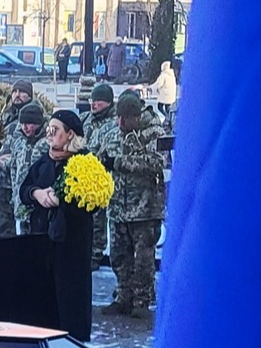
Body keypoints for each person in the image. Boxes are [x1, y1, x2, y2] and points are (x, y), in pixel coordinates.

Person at [17, 111, 94, 339]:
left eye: (55, 129)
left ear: (70, 134)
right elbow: (24, 189)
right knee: (44, 298)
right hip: (43, 238)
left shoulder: (85, 161)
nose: (49, 134)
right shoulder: (45, 160)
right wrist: (37, 194)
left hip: (72, 243)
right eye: (48, 129)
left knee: (70, 300)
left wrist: (65, 200)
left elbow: (94, 201)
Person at [100, 90, 167, 319]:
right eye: (118, 117)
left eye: (125, 118)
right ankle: (123, 297)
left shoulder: (154, 132)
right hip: (118, 206)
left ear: (136, 116)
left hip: (145, 208)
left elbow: (157, 162)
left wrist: (118, 162)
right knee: (118, 256)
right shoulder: (113, 133)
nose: (120, 123)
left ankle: (141, 300)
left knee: (143, 259)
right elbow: (101, 155)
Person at [80, 83, 120, 264]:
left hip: (101, 177)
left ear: (109, 103)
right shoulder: (85, 119)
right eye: (92, 100)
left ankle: (96, 253)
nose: (93, 104)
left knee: (98, 218)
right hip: (81, 175)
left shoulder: (113, 123)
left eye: (98, 101)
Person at [0, 104, 49, 237]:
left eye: (30, 123)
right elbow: (15, 165)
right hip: (22, 201)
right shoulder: (19, 141)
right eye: (22, 123)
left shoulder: (48, 143)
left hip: (41, 205)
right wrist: (3, 161)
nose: (25, 127)